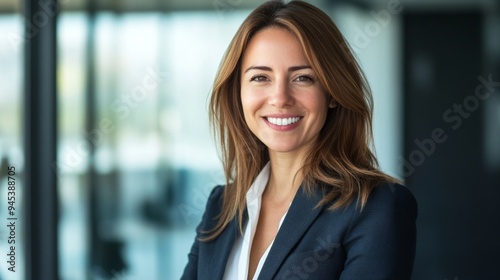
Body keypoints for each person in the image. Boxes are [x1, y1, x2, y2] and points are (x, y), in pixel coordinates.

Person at [181, 1, 417, 279]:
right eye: (260, 77)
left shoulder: (376, 208)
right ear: (238, 93)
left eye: (303, 78)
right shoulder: (221, 206)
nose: (280, 98)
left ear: (332, 92)